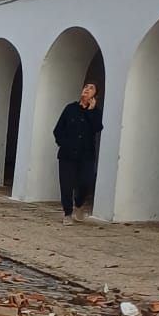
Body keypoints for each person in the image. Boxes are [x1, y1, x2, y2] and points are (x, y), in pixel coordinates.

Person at [53, 82, 102, 222]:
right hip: (67, 155)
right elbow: (58, 130)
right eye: (85, 87)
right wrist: (64, 143)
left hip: (86, 156)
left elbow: (97, 128)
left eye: (91, 88)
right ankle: (67, 213)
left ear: (95, 96)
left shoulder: (96, 112)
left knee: (86, 182)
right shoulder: (70, 109)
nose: (87, 89)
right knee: (66, 184)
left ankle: (79, 205)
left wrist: (91, 112)